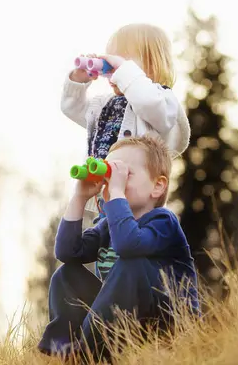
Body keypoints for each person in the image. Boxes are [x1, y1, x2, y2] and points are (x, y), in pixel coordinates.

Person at [37, 135, 200, 361]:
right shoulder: (107, 226)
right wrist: (80, 197)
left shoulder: (163, 222)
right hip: (121, 323)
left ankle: (86, 353)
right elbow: (67, 252)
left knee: (131, 264)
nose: (113, 183)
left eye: (124, 175)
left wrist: (116, 193)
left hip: (168, 324)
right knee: (66, 274)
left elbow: (128, 245)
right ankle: (65, 349)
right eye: (109, 177)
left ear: (158, 186)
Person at [61, 22, 191, 281]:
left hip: (139, 205)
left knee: (131, 257)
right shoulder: (104, 105)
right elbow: (72, 108)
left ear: (151, 65)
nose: (112, 70)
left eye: (121, 61)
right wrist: (77, 81)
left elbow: (149, 103)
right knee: (107, 265)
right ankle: (112, 315)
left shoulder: (161, 101)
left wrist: (124, 72)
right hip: (107, 202)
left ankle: (143, 311)